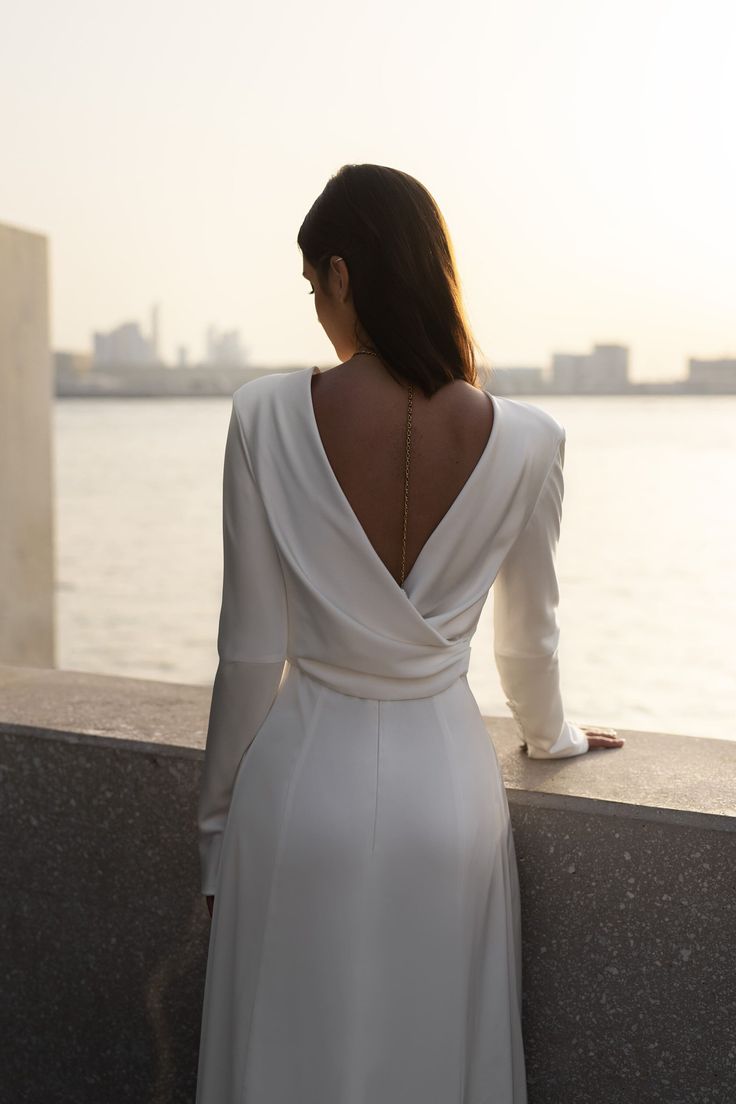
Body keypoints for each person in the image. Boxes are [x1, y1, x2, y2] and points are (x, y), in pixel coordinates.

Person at [195, 163, 625, 1104]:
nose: (316, 309)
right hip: (448, 798)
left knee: (285, 1060)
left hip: (301, 793)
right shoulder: (529, 439)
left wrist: (216, 829)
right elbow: (529, 644)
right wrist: (551, 739)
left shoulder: (264, 415)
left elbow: (250, 652)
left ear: (342, 274)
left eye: (314, 286)